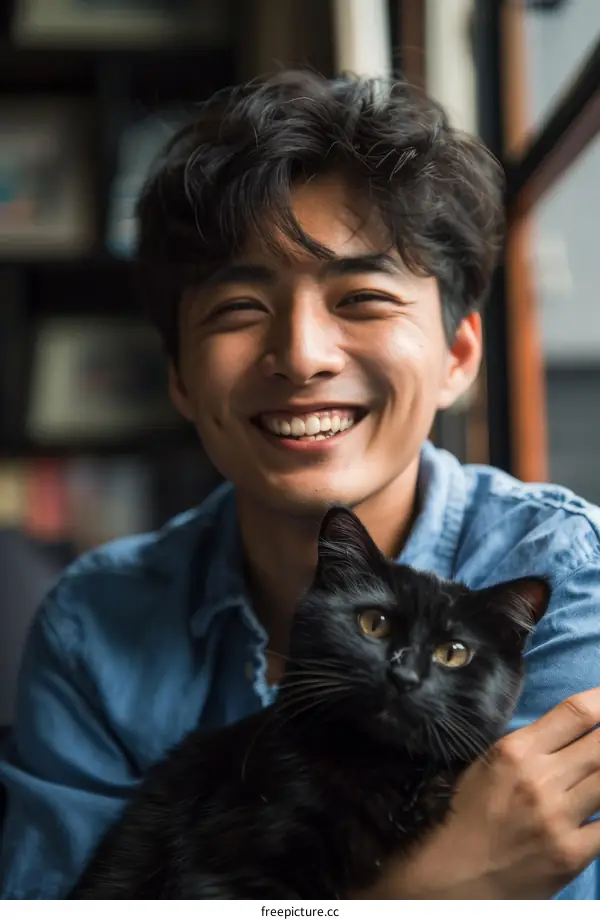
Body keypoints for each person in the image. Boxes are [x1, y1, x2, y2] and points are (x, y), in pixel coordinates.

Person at [2, 71, 600, 901]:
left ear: (459, 356)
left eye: (363, 298)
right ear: (179, 377)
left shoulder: (568, 577)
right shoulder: (95, 625)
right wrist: (420, 895)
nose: (303, 355)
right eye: (240, 309)